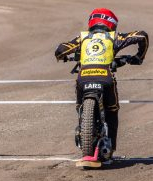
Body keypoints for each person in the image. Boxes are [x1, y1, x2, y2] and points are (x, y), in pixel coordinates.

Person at [55, 8, 148, 160]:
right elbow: (142, 36)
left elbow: (60, 50)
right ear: (111, 24)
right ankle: (110, 149)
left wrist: (65, 57)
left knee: (79, 107)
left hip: (83, 79)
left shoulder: (83, 37)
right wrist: (139, 57)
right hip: (105, 78)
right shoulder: (114, 37)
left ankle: (83, 132)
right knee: (112, 110)